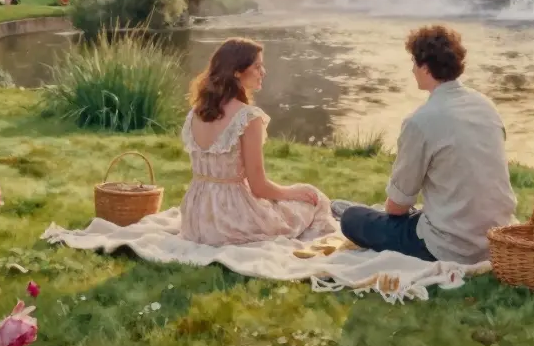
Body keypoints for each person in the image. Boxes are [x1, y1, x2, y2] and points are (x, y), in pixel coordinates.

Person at [339, 25, 516, 264]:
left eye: (413, 62)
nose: (412, 69)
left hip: (451, 246)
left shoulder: (420, 122)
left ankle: (360, 214)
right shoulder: (486, 105)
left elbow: (397, 208)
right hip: (496, 237)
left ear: (424, 67)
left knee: (352, 218)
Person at [180, 38, 337, 246]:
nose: (263, 72)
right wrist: (291, 192)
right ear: (237, 71)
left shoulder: (195, 113)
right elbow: (259, 187)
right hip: (231, 220)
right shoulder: (247, 117)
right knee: (313, 197)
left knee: (297, 198)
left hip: (196, 217)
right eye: (257, 66)